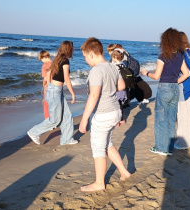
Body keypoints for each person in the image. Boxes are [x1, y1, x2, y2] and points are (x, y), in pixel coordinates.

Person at [79, 37, 131, 192]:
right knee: (107, 144)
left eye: (86, 57)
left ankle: (99, 183)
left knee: (98, 148)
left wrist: (84, 119)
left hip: (103, 114)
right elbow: (121, 86)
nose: (86, 61)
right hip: (116, 111)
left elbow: (94, 95)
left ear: (92, 54)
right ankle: (124, 172)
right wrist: (109, 89)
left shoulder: (96, 70)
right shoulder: (112, 67)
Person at [141, 28, 189, 155]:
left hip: (165, 88)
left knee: (160, 118)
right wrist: (175, 82)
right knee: (171, 119)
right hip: (175, 88)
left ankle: (161, 148)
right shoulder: (180, 56)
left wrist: (146, 73)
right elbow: (186, 74)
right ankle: (169, 148)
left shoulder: (163, 56)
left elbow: (156, 76)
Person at [27, 41, 78, 146]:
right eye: (72, 48)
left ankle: (67, 139)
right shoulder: (65, 61)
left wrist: (50, 86)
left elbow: (49, 73)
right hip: (55, 91)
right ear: (69, 49)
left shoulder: (57, 59)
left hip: (55, 90)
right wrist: (73, 93)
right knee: (55, 120)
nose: (73, 50)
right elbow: (67, 79)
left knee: (67, 115)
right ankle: (34, 132)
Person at [110, 48, 130, 125]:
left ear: (115, 57)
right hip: (123, 88)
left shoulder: (114, 66)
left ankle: (117, 121)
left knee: (115, 106)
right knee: (120, 105)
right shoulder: (124, 64)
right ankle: (122, 119)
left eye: (112, 57)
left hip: (117, 88)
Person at [39, 50, 52, 119]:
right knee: (54, 105)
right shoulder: (55, 64)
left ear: (44, 57)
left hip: (48, 87)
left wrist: (43, 84)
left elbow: (45, 79)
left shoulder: (44, 65)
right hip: (55, 86)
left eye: (41, 59)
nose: (42, 61)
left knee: (46, 105)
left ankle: (48, 120)